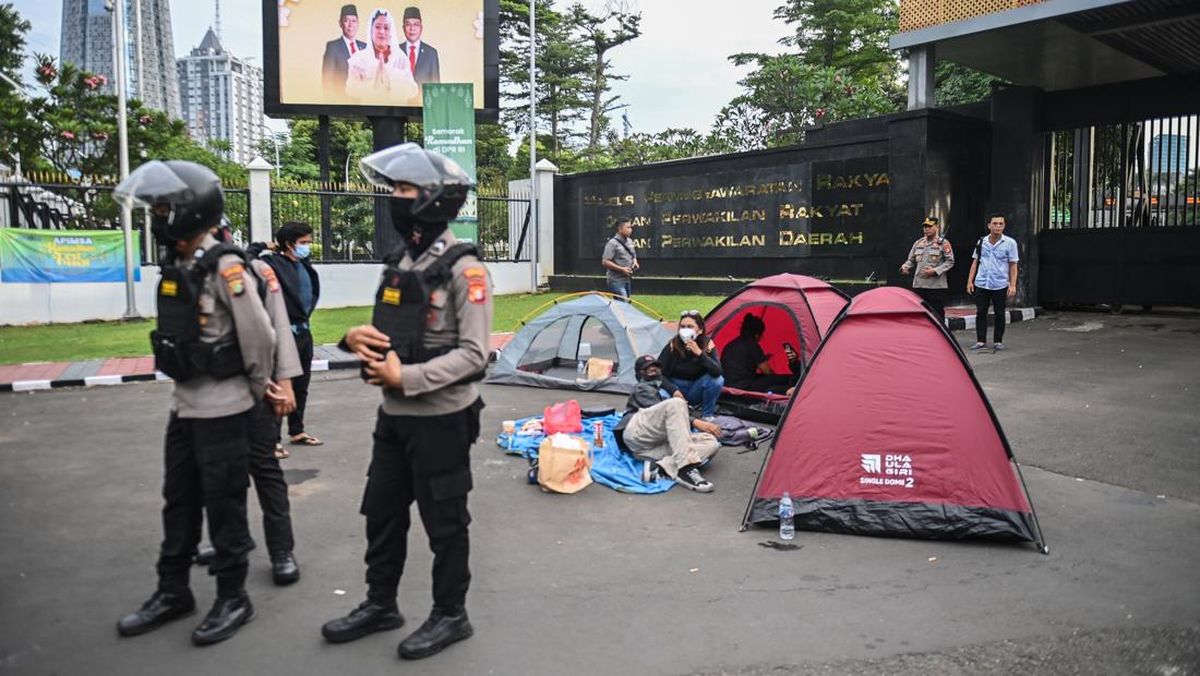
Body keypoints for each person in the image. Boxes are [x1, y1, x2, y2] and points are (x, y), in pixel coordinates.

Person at [321, 143, 491, 661]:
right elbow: (388, 329)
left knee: (445, 522)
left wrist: (407, 375)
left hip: (441, 419)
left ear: (434, 200)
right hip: (393, 417)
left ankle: (450, 615)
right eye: (393, 189)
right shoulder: (398, 261)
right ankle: (380, 604)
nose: (393, 198)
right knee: (382, 513)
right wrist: (352, 340)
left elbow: (476, 355)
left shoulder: (466, 269)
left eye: (402, 190)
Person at [113, 160, 282, 646]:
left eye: (165, 206)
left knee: (224, 504)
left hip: (224, 409)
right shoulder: (180, 264)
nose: (159, 215)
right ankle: (173, 591)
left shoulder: (226, 267)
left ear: (191, 209)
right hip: (184, 407)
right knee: (179, 501)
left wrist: (253, 391)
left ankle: (234, 597)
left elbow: (260, 336)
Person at [194, 224, 303, 587]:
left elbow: (279, 325)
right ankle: (229, 542)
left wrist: (284, 382)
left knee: (266, 471)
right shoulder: (191, 269)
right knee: (221, 476)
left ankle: (281, 550)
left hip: (258, 390)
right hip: (214, 391)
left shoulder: (256, 270)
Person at [249, 222, 323, 451]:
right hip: (283, 333)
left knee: (301, 385)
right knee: (281, 385)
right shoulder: (271, 264)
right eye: (303, 243)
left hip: (303, 332)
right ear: (289, 244)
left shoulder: (303, 264)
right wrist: (263, 245)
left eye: (308, 242)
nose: (307, 247)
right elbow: (245, 258)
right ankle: (272, 440)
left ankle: (297, 430)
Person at [613, 355, 723, 492]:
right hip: (637, 432)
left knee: (711, 442)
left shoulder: (659, 388)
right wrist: (695, 421)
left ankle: (660, 467)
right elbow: (661, 414)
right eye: (648, 371)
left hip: (652, 446)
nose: (654, 373)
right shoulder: (642, 388)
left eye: (656, 369)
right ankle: (685, 469)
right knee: (676, 404)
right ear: (639, 374)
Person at [967, 213, 1020, 351]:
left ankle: (998, 341)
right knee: (981, 312)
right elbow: (975, 261)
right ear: (989, 225)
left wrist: (1013, 285)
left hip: (1000, 284)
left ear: (1004, 226)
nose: (997, 226)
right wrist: (970, 281)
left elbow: (1013, 265)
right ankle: (980, 340)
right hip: (982, 283)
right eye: (994, 223)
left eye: (1000, 224)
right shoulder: (981, 242)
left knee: (1000, 313)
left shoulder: (1010, 243)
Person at [656, 310, 723, 418]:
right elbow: (658, 373)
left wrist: (700, 354)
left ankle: (707, 416)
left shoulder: (707, 344)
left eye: (690, 326)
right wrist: (673, 390)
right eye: (682, 326)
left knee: (717, 381)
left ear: (700, 330)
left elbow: (717, 372)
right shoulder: (673, 345)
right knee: (661, 395)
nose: (685, 330)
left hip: (695, 388)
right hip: (675, 387)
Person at [345, 8, 419, 103]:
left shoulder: (401, 58)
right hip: (368, 113)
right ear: (370, 30)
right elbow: (350, 90)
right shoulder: (358, 59)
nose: (382, 32)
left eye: (386, 28)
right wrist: (373, 79)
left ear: (391, 32)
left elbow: (412, 90)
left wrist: (390, 74)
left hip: (396, 112)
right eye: (378, 27)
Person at [720, 314, 800, 394]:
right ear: (756, 334)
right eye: (761, 335)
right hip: (745, 387)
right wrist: (774, 376)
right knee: (785, 379)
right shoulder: (752, 345)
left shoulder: (731, 344)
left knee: (761, 377)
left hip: (728, 384)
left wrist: (760, 359)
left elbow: (740, 364)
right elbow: (767, 371)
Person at [900, 216, 955, 323]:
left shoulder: (943, 243)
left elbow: (950, 261)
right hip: (919, 285)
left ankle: (939, 336)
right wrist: (905, 267)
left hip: (936, 286)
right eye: (925, 226)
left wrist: (935, 271)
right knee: (920, 314)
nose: (927, 229)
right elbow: (910, 260)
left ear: (937, 227)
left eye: (930, 226)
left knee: (937, 315)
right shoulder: (918, 243)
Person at [322, 5, 367, 95]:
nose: (350, 25)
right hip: (342, 102)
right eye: (346, 21)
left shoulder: (365, 47)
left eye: (354, 21)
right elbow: (327, 81)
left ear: (358, 23)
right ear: (340, 23)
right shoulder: (333, 47)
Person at [400, 6, 440, 86]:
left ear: (421, 28)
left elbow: (436, 86)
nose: (412, 28)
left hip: (422, 98)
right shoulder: (395, 51)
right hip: (400, 98)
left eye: (416, 24)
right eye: (408, 24)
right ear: (403, 28)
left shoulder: (431, 53)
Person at [601, 217, 638, 299]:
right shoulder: (612, 243)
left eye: (631, 227)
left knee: (626, 303)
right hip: (616, 280)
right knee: (623, 302)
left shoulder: (630, 241)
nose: (630, 230)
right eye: (628, 227)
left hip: (627, 279)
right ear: (620, 229)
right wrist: (622, 269)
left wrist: (635, 262)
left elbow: (633, 255)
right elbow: (605, 261)